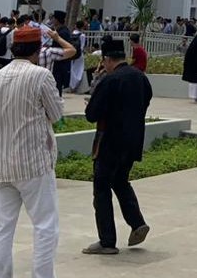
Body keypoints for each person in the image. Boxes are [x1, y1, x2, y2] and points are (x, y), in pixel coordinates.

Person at [0, 25, 68, 278]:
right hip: (33, 164)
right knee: (45, 226)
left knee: (3, 227)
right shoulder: (41, 76)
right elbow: (57, 113)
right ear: (37, 49)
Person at [83, 38, 153, 255]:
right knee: (121, 181)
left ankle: (107, 241)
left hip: (109, 141)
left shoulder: (109, 80)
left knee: (102, 188)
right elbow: (146, 100)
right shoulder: (140, 77)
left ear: (106, 59)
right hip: (133, 141)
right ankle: (137, 222)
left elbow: (91, 114)